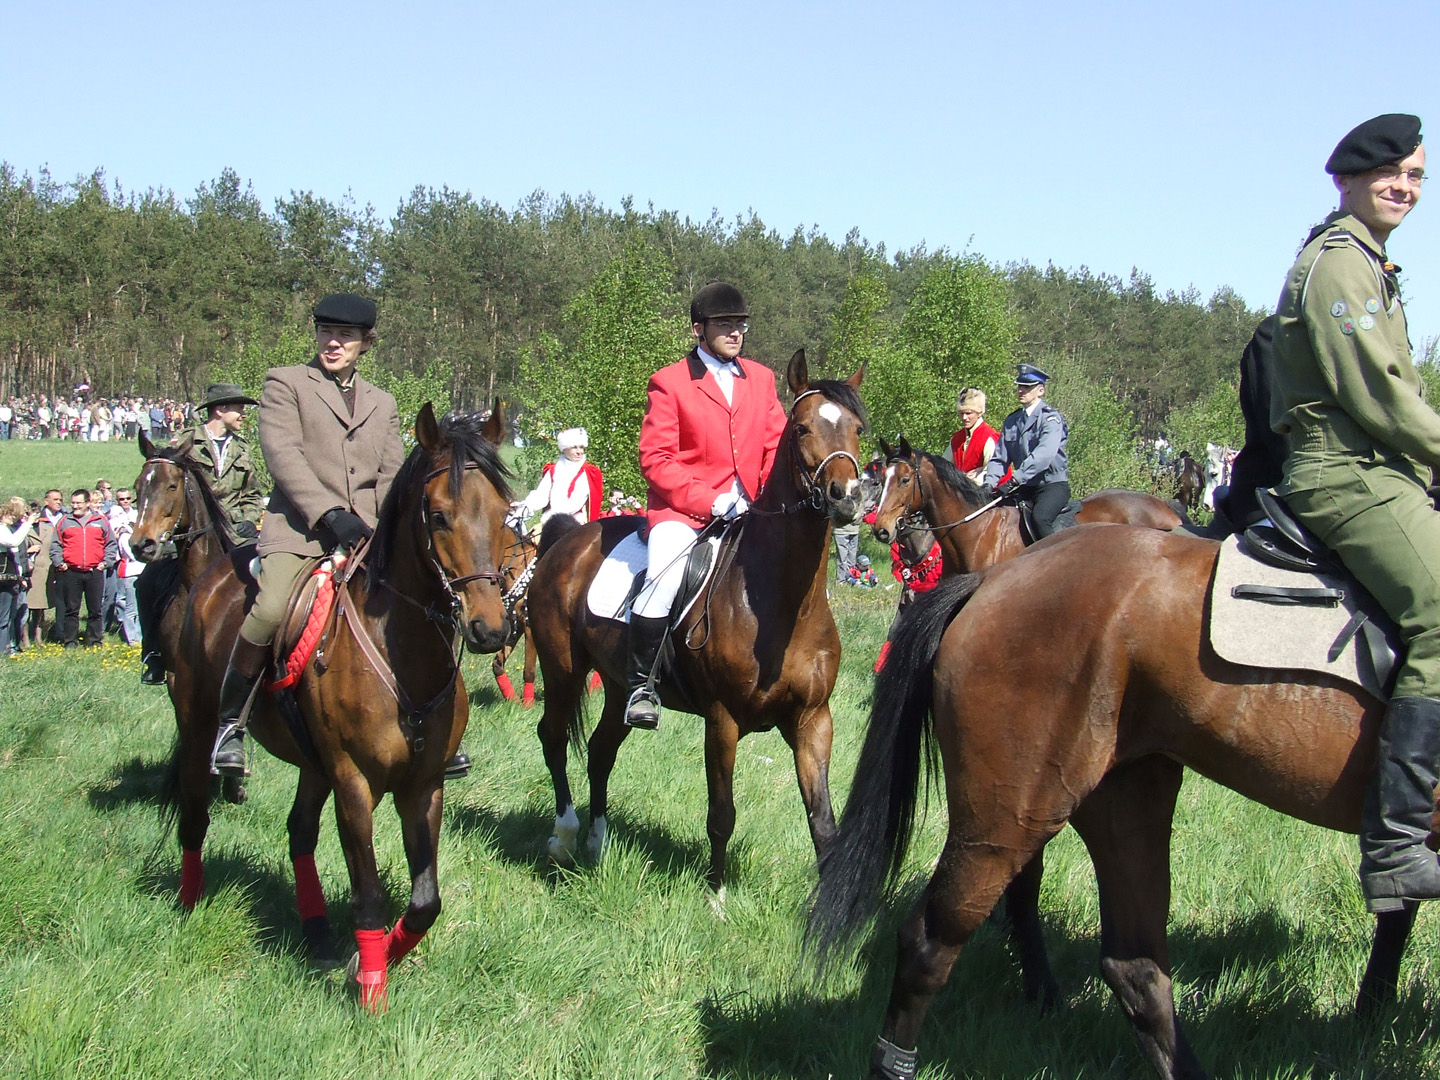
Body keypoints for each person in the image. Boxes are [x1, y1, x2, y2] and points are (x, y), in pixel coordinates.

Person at [1268, 112, 1440, 913]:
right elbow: (1380, 396)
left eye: (1415, 177)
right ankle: (1400, 843)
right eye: (1389, 174)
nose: (1403, 187)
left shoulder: (1371, 262)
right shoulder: (1340, 264)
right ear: (1348, 179)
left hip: (1379, 468)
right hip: (1345, 473)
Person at [209, 295, 469, 781]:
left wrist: (386, 526)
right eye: (326, 332)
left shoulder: (382, 402)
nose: (333, 343)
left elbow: (391, 473)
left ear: (365, 343)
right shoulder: (285, 383)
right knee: (270, 609)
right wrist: (329, 514)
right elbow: (283, 456)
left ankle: (440, 726)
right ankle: (230, 724)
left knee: (427, 605)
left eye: (345, 336)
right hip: (300, 532)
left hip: (368, 536)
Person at [625, 281, 787, 729]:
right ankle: (641, 686)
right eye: (725, 324)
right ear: (699, 328)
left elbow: (775, 445)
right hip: (684, 513)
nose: (736, 332)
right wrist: (711, 500)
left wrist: (760, 496)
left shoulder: (762, 379)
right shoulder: (670, 382)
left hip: (751, 511)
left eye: (741, 324)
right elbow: (655, 459)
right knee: (663, 576)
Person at [137, 383, 266, 684]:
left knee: (266, 579)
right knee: (145, 583)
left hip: (235, 534)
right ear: (220, 410)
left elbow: (252, 494)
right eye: (238, 408)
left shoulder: (243, 448)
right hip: (189, 532)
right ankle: (153, 655)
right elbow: (163, 485)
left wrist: (249, 519)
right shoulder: (184, 443)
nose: (243, 414)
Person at [983, 364, 1070, 539]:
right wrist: (989, 484)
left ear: (1041, 391)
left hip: (1051, 485)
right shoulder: (1012, 421)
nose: (1021, 390)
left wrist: (1015, 479)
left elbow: (1043, 455)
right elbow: (1000, 458)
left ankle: (1056, 555)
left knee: (1040, 518)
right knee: (996, 514)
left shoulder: (1050, 419)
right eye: (1020, 386)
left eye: (1027, 387)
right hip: (1026, 486)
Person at [49, 489, 116, 648]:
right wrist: (60, 563)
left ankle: (94, 640)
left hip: (95, 571)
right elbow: (56, 545)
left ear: (87, 503)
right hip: (71, 572)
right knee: (71, 610)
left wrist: (106, 563)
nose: (75, 506)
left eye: (78, 503)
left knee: (95, 610)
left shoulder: (100, 521)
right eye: (73, 503)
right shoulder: (65, 521)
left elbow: (110, 544)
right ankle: (70, 641)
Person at [512, 427, 603, 533]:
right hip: (551, 521)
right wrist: (525, 507)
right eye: (574, 447)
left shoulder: (590, 472)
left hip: (577, 524)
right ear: (564, 449)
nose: (579, 452)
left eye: (581, 447)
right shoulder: (553, 471)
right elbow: (541, 496)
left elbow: (584, 504)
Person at [0, 498, 38, 656]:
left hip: (10, 578)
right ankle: (3, 651)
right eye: (8, 515)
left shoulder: (6, 528)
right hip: (4, 579)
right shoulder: (2, 529)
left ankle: (7, 648)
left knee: (8, 616)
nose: (12, 517)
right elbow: (13, 542)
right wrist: (28, 524)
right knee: (3, 618)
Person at [109, 489, 143, 646]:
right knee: (131, 608)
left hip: (142, 570)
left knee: (140, 607)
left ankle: (140, 636)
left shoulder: (136, 514)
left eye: (128, 498)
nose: (126, 501)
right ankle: (133, 638)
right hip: (131, 571)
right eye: (122, 499)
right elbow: (131, 553)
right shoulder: (122, 530)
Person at [950, 387, 1002, 485]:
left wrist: (971, 481)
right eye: (961, 413)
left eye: (968, 413)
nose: (964, 417)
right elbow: (944, 467)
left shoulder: (989, 437)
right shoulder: (956, 439)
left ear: (980, 413)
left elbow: (993, 471)